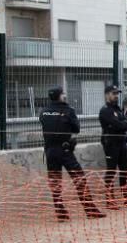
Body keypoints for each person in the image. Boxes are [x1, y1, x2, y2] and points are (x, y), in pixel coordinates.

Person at [39, 87, 103, 221]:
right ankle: (90, 210)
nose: (65, 96)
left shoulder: (43, 112)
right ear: (59, 96)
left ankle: (60, 212)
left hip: (50, 151)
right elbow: (77, 128)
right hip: (65, 150)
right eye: (63, 94)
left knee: (55, 182)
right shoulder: (68, 110)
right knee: (80, 179)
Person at [98, 85, 127, 210]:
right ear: (107, 95)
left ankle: (126, 196)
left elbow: (126, 124)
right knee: (111, 169)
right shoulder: (105, 110)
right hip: (111, 143)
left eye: (117, 93)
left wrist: (122, 124)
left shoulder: (117, 109)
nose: (116, 96)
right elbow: (118, 124)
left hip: (121, 142)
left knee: (125, 169)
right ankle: (109, 198)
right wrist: (122, 124)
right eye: (113, 93)